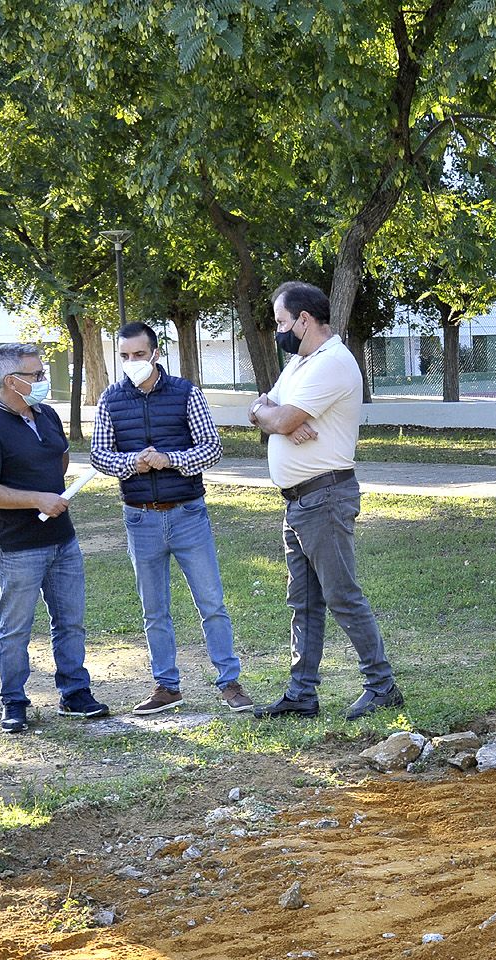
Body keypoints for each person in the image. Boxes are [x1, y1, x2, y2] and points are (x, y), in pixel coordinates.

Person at [247, 281, 402, 721]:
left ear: (304, 320)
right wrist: (274, 419)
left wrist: (278, 419)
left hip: (325, 496)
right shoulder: (300, 363)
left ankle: (382, 685)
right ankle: (302, 694)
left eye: (281, 323)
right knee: (304, 601)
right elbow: (263, 407)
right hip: (297, 501)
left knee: (341, 595)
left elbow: (281, 414)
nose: (278, 332)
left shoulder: (332, 363)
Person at [90, 322, 254, 716]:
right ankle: (166, 685)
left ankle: (229, 682)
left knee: (211, 601)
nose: (132, 363)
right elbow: (99, 455)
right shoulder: (110, 398)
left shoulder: (185, 393)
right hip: (140, 519)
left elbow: (211, 448)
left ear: (156, 354)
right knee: (154, 609)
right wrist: (133, 462)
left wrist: (171, 460)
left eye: (139, 355)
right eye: (125, 356)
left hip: (188, 514)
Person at [0, 343, 110, 733]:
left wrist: (51, 491)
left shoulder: (46, 415)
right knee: (16, 629)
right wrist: (37, 499)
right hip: (17, 546)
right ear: (11, 381)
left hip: (63, 539)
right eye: (37, 375)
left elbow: (58, 458)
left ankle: (75, 693)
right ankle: (13, 701)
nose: (45, 381)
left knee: (71, 621)